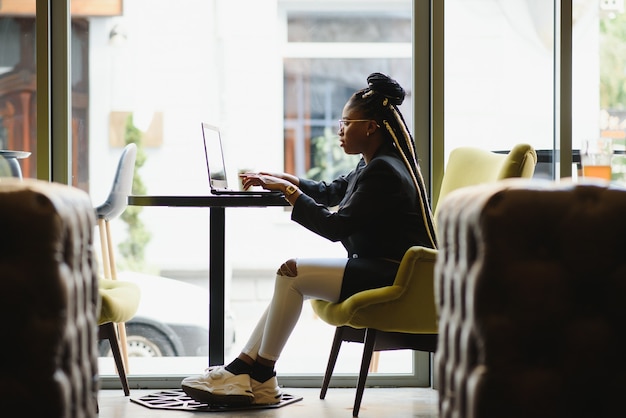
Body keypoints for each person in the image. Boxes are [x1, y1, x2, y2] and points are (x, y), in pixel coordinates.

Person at [181, 72, 438, 406]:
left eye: (347, 122)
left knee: (293, 273)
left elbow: (335, 228)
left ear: (371, 126)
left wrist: (289, 192)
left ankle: (259, 374)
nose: (340, 130)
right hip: (378, 268)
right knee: (290, 277)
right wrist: (284, 179)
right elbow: (331, 191)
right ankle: (249, 370)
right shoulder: (372, 164)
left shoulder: (384, 171)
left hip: (393, 275)